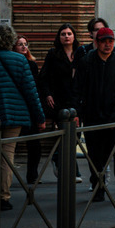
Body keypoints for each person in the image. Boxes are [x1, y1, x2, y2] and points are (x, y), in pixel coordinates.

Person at [0, 23, 45, 210]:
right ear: (10, 41)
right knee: (7, 155)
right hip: (16, 116)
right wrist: (40, 117)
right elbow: (31, 92)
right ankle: (3, 196)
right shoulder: (21, 61)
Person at [72, 26, 115, 202]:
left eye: (110, 41)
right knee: (95, 154)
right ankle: (98, 186)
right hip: (93, 115)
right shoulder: (86, 61)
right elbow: (77, 88)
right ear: (96, 42)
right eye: (104, 41)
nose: (107, 45)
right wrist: (78, 111)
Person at [37, 23, 84, 182]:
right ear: (59, 37)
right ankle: (72, 171)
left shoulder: (80, 53)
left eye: (69, 33)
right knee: (65, 134)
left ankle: (60, 160)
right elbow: (43, 77)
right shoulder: (53, 54)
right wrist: (48, 94)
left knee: (74, 135)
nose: (66, 36)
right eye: (63, 34)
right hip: (59, 100)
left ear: (74, 36)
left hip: (76, 99)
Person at [14, 35, 45, 186]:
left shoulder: (32, 65)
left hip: (29, 109)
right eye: (20, 44)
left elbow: (35, 88)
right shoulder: (12, 63)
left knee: (34, 145)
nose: (23, 47)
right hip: (16, 108)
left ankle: (32, 175)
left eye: (25, 44)